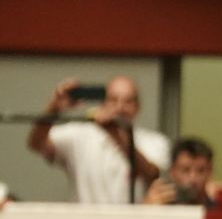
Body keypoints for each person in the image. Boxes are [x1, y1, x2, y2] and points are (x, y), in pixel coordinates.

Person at [26, 74, 170, 204]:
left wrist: (113, 132)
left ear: (138, 107)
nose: (120, 107)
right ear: (103, 102)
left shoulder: (155, 142)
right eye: (113, 100)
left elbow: (152, 175)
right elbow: (36, 143)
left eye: (128, 101)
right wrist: (54, 108)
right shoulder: (80, 134)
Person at [143, 136, 215, 205]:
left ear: (210, 172)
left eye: (201, 171)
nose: (193, 178)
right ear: (172, 172)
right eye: (185, 170)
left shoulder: (219, 208)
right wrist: (147, 211)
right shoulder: (159, 205)